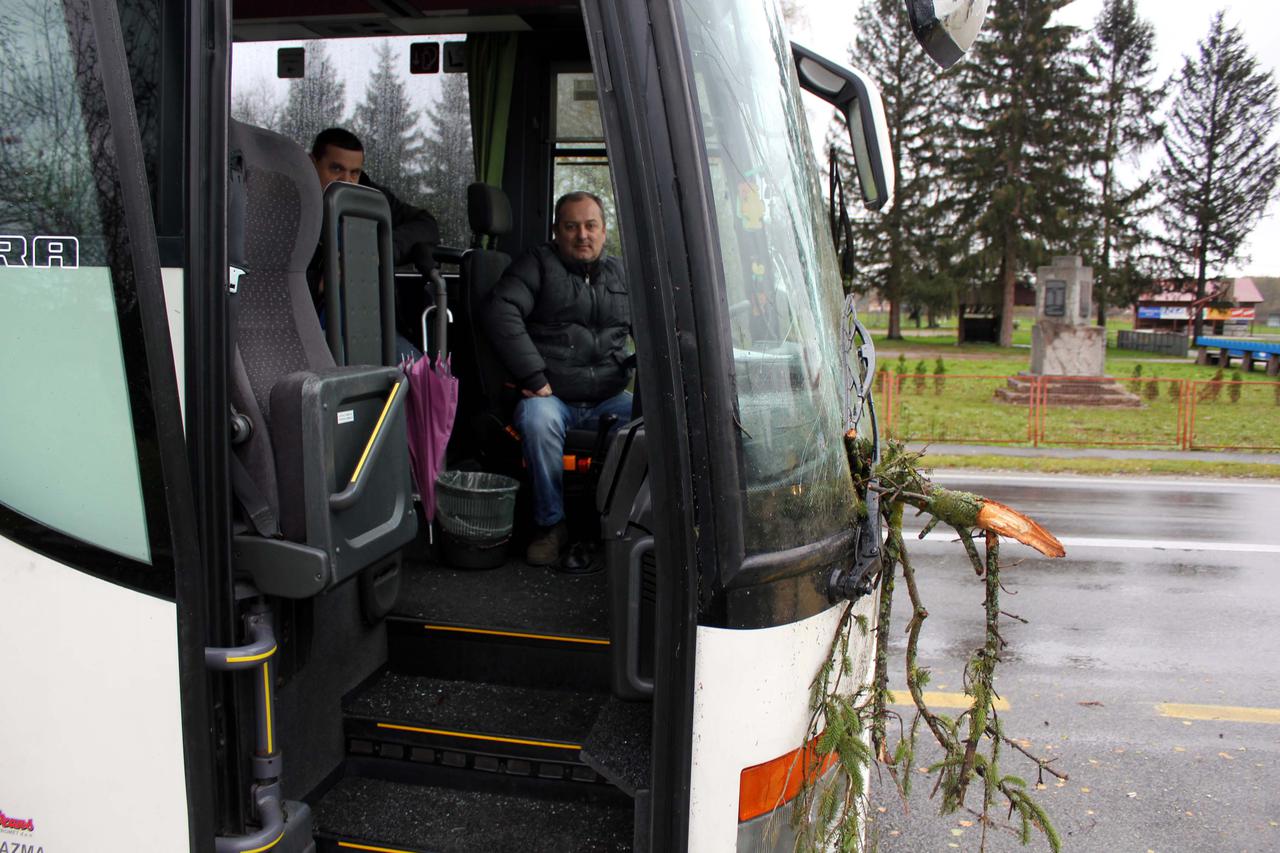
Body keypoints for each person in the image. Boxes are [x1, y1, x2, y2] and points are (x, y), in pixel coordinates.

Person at [484, 191, 633, 566]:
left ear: (603, 230)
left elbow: (655, 326)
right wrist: (533, 375)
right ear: (556, 231)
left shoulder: (622, 274)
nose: (582, 235)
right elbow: (500, 310)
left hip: (610, 398)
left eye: (590, 225)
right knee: (538, 420)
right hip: (553, 397)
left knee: (657, 424)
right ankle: (551, 525)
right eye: (571, 226)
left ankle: (623, 528)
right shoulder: (537, 264)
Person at [307, 127, 439, 360]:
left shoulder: (370, 198)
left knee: (420, 378)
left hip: (374, 330)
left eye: (354, 172)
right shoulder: (292, 207)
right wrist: (318, 279)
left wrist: (378, 251)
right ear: (312, 163)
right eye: (336, 168)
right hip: (312, 329)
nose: (346, 181)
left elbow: (427, 225)